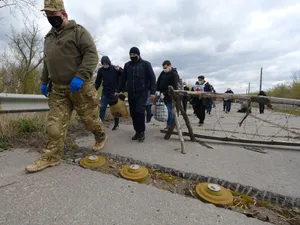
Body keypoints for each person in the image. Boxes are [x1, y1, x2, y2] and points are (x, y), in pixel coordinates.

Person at [25, 0, 107, 173]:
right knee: (53, 126)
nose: (50, 18)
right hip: (58, 90)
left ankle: (100, 136)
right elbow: (48, 61)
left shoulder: (78, 32)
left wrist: (80, 76)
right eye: (47, 15)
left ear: (64, 14)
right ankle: (51, 157)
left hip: (80, 87)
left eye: (53, 15)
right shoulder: (49, 38)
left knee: (90, 121)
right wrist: (44, 81)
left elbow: (92, 55)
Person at [118, 47, 156, 142]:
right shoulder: (127, 65)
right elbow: (123, 79)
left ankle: (142, 132)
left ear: (138, 54)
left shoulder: (145, 64)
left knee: (140, 112)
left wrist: (152, 92)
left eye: (134, 54)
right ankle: (137, 131)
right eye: (131, 55)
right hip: (131, 93)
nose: (132, 56)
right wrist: (118, 90)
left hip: (142, 93)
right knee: (133, 113)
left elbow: (152, 78)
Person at [95, 56, 123, 130]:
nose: (105, 64)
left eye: (106, 63)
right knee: (102, 108)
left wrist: (119, 69)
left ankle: (116, 124)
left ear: (109, 62)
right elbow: (98, 82)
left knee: (115, 109)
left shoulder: (115, 68)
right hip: (105, 92)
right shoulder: (101, 70)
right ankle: (100, 126)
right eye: (103, 63)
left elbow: (123, 75)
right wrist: (94, 89)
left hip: (114, 92)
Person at [156, 60, 180, 129]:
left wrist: (165, 93)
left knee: (169, 110)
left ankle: (170, 124)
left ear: (170, 66)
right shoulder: (163, 73)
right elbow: (158, 81)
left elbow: (174, 86)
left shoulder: (174, 74)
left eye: (166, 68)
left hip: (170, 95)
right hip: (162, 95)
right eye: (163, 68)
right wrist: (157, 90)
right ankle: (170, 123)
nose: (164, 69)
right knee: (164, 110)